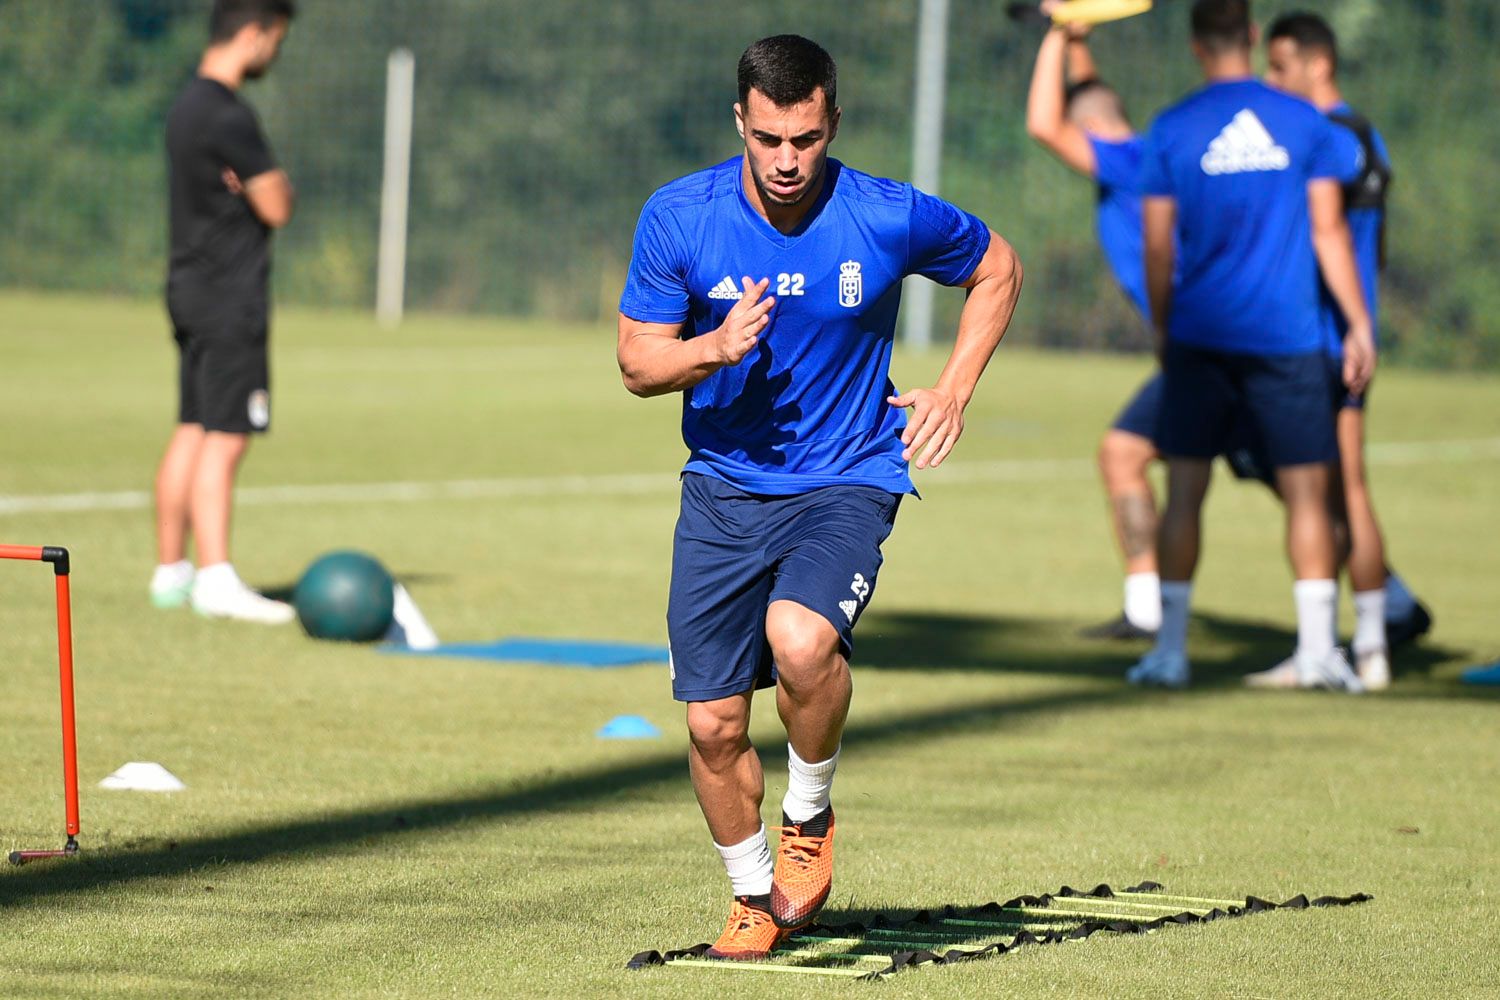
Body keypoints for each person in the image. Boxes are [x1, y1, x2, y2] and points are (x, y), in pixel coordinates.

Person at [616, 35, 1022, 959]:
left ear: (832, 121)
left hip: (847, 475)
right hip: (721, 490)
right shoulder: (681, 216)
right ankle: (753, 893)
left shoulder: (884, 214)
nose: (788, 160)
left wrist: (955, 385)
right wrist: (710, 349)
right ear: (741, 124)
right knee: (714, 725)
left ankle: (808, 813)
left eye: (805, 138)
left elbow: (998, 267)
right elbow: (639, 360)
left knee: (801, 640)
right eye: (768, 139)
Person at [1126, 0, 1375, 691]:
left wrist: (1162, 325)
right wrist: (1357, 323)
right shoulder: (1304, 123)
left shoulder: (1174, 128)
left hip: (1200, 335)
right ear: (1253, 37)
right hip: (1287, 338)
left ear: (1197, 47)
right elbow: (1329, 233)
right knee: (1306, 494)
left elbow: (1156, 243)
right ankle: (1320, 651)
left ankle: (1170, 653)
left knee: (1184, 492)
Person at [1238, 10, 1430, 690]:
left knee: (1319, 492)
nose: (1270, 79)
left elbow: (1326, 238)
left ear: (1319, 66)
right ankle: (1373, 647)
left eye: (1281, 66)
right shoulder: (1364, 136)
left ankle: (1321, 650)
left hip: (1313, 339)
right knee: (1346, 488)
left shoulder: (1321, 136)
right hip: (1347, 336)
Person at [150, 0, 297, 624]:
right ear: (256, 33)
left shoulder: (186, 107)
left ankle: (170, 570)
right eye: (277, 39)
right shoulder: (230, 115)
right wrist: (269, 185)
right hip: (228, 297)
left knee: (193, 425)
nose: (275, 53)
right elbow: (278, 205)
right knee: (229, 435)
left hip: (186, 286)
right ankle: (215, 577)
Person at [1024, 10, 1163, 640]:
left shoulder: (1128, 163)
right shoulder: (1146, 154)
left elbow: (1044, 124)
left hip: (1205, 349)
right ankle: (1393, 602)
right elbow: (1091, 99)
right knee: (1297, 477)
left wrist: (1056, 28)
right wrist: (1080, 41)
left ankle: (1151, 613)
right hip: (1209, 346)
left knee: (1122, 454)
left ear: (1095, 131)